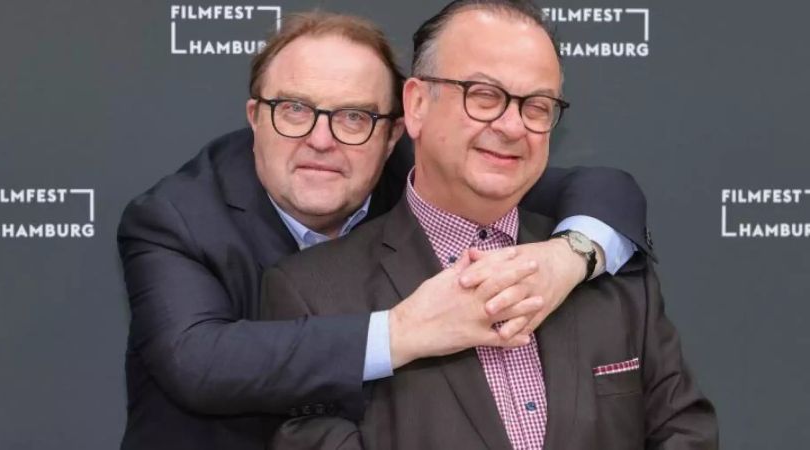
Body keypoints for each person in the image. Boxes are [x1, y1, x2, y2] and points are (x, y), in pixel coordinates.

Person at [117, 10, 653, 450]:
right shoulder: (175, 217)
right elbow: (199, 361)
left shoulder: (418, 173)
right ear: (254, 116)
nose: (322, 140)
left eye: (354, 117)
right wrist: (402, 331)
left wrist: (568, 258)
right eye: (295, 110)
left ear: (396, 129)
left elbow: (606, 190)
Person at [261, 2, 717, 449]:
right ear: (417, 105)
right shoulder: (314, 295)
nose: (513, 125)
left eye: (537, 106)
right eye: (484, 96)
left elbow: (687, 432)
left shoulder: (608, 273)